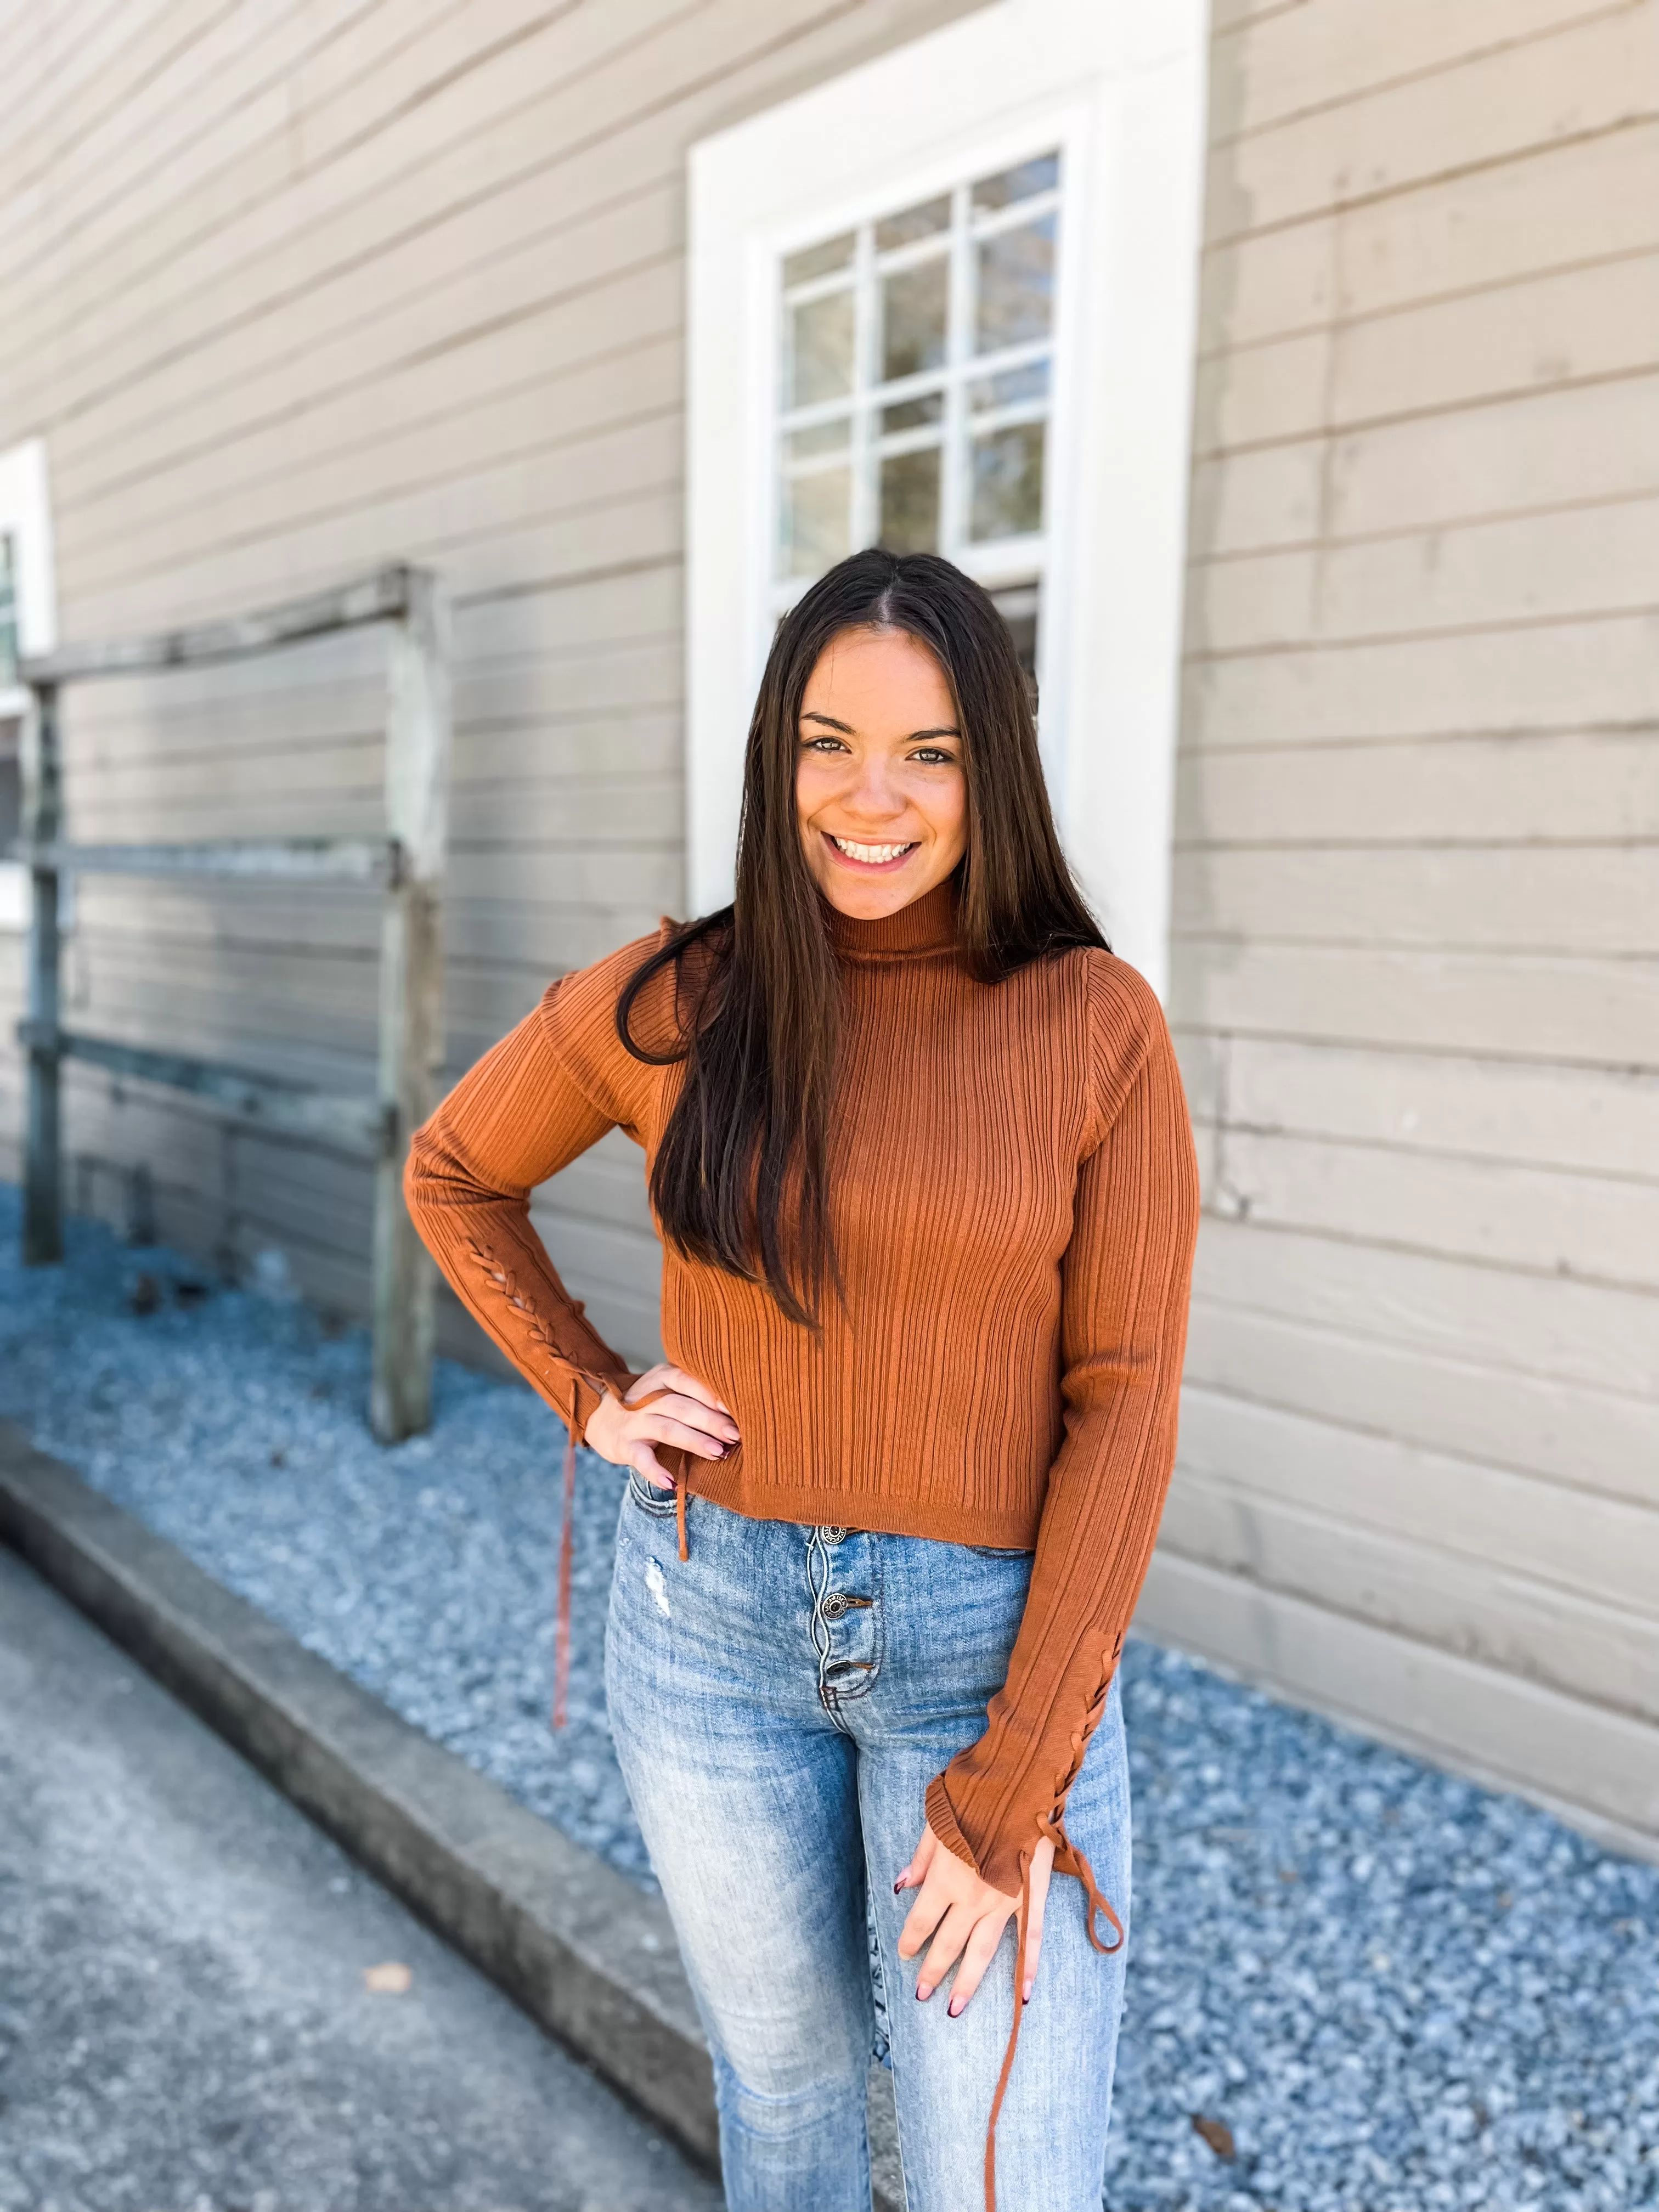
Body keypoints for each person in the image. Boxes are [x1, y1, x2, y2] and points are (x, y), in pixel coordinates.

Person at [404, 548, 1199, 2212]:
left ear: (997, 768)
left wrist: (1012, 1786)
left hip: (983, 1657)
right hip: (709, 1639)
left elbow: (1125, 1399)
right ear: (775, 755)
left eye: (931, 753)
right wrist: (591, 1390)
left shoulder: (1093, 1025)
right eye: (828, 742)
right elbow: (456, 1173)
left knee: (1017, 2176)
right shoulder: (678, 998)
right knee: (786, 2101)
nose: (871, 798)